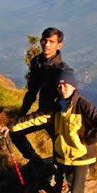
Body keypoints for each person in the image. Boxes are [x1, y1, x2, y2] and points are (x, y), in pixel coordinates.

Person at [1, 67, 97, 193]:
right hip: (64, 157)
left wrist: (87, 140)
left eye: (66, 84)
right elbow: (35, 118)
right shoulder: (56, 105)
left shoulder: (83, 105)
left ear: (73, 86)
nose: (62, 88)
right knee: (72, 190)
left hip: (81, 157)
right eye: (59, 85)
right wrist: (11, 127)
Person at [12, 27, 69, 164]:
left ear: (59, 45)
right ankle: (35, 160)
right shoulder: (36, 62)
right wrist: (21, 115)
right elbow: (32, 91)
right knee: (14, 131)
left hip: (55, 117)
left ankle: (60, 182)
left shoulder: (62, 69)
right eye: (44, 40)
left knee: (60, 152)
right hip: (40, 114)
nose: (46, 44)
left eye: (51, 41)